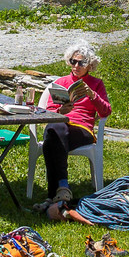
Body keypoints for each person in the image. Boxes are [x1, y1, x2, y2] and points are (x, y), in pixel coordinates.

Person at [38, 40, 112, 207]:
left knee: (52, 139)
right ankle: (62, 189)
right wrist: (61, 112)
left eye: (81, 62)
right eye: (73, 61)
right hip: (60, 125)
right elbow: (49, 111)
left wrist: (93, 96)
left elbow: (105, 112)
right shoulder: (60, 82)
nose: (76, 66)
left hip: (82, 129)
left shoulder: (96, 84)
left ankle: (54, 193)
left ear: (90, 65)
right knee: (56, 128)